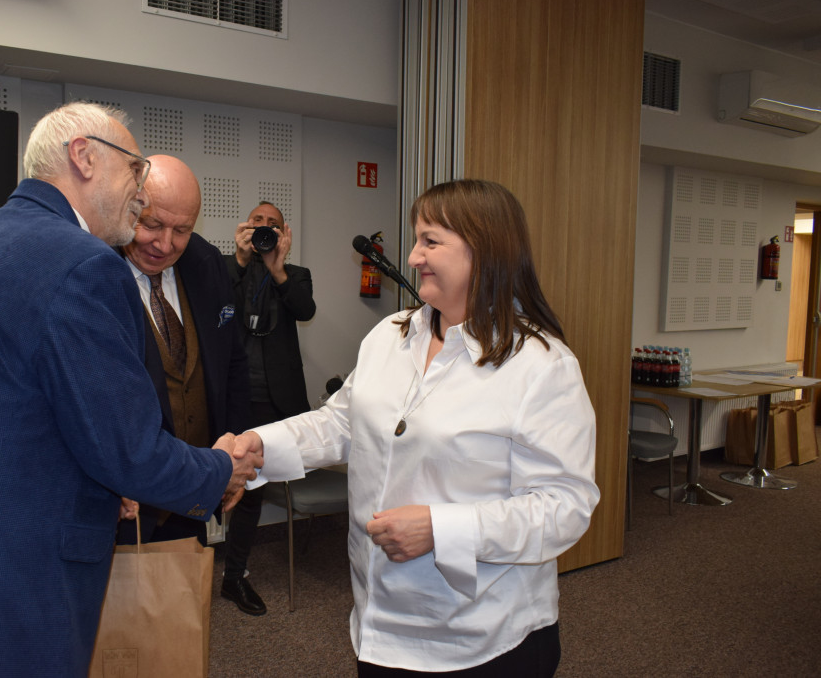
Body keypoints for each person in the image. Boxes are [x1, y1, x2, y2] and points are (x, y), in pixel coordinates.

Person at [0, 102, 261, 677]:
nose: (142, 195)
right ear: (84, 156)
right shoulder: (83, 264)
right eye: (135, 170)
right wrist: (219, 469)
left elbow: (12, 413)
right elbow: (128, 450)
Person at [236, 180, 599, 676]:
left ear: (485, 250)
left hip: (483, 639)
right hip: (378, 623)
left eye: (430, 241)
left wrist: (442, 529)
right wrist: (260, 444)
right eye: (416, 241)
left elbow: (565, 507)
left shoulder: (542, 366)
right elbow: (342, 421)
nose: (412, 257)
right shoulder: (390, 336)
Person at [118, 154, 250, 545]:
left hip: (197, 490)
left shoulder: (206, 263)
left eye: (182, 230)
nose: (165, 244)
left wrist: (233, 460)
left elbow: (233, 367)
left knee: (182, 597)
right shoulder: (94, 270)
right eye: (152, 224)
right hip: (128, 501)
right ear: (130, 207)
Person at [221, 202, 316, 615]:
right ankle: (222, 571)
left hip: (278, 398)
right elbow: (214, 310)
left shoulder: (294, 275)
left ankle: (233, 575)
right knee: (229, 488)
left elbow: (305, 310)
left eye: (271, 225)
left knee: (253, 492)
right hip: (234, 394)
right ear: (244, 227)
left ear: (283, 234)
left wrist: (278, 270)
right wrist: (241, 260)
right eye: (256, 223)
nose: (263, 230)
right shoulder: (228, 269)